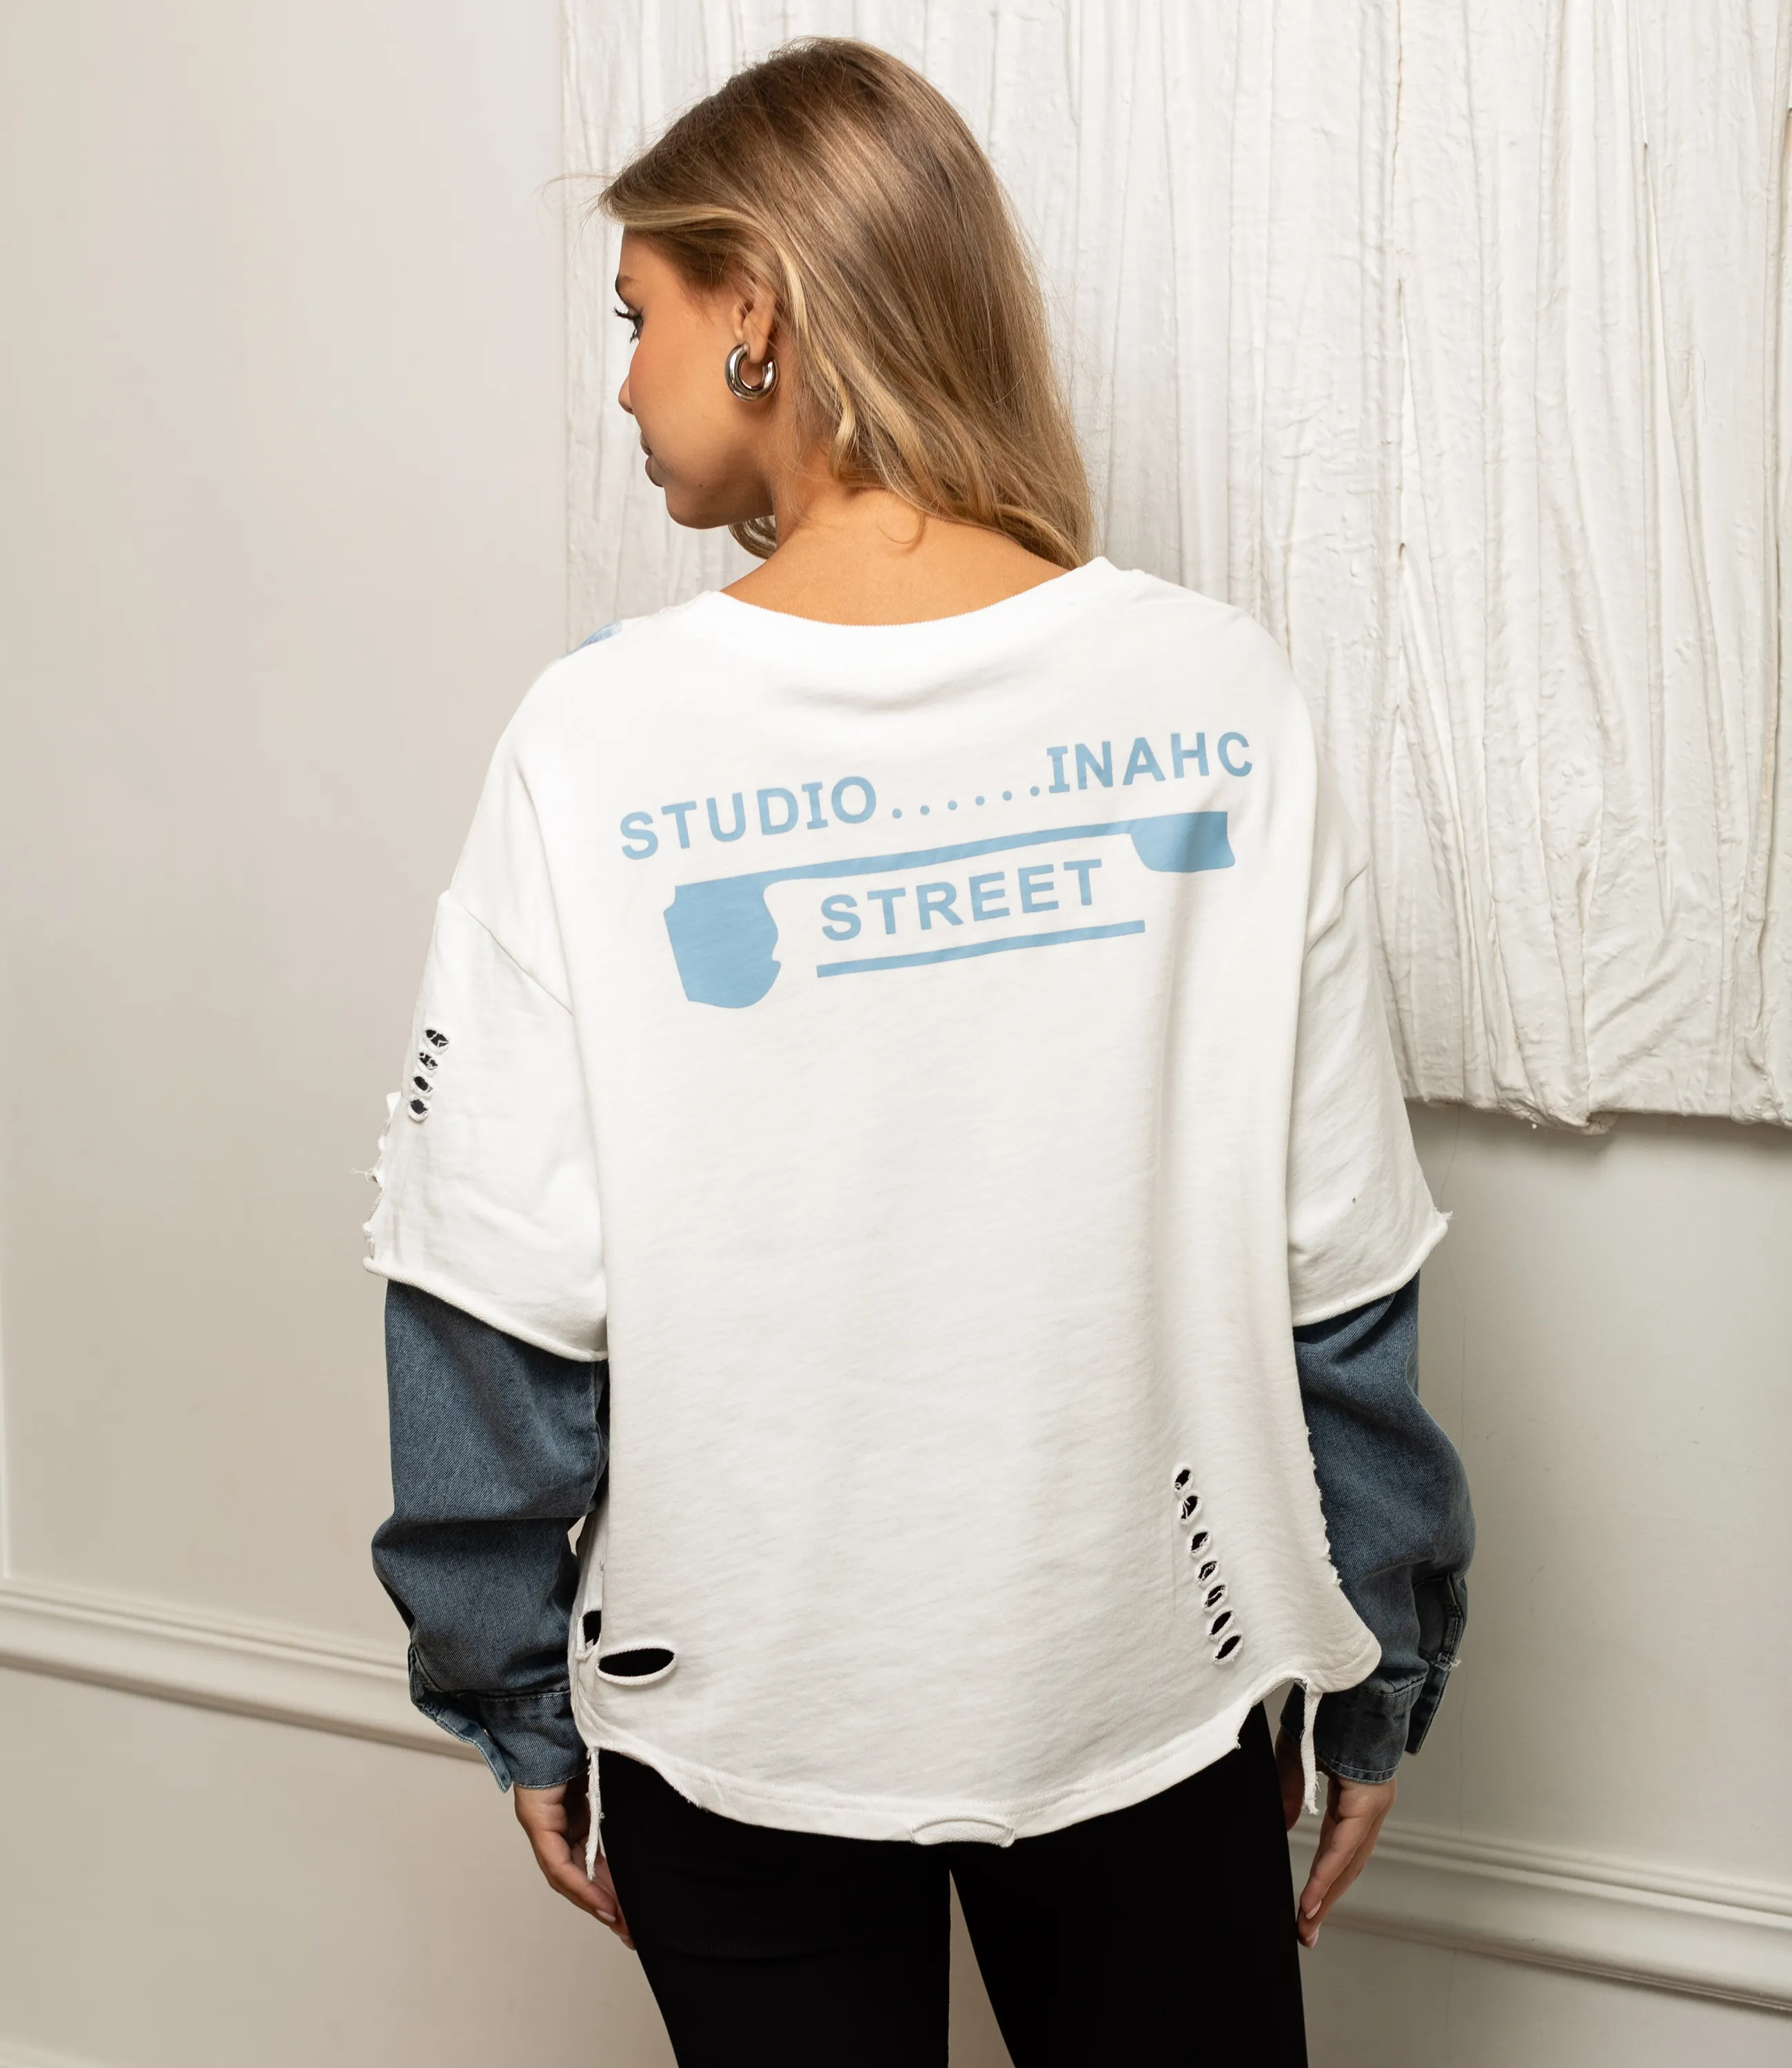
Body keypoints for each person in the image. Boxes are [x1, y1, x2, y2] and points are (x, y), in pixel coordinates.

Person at [364, 38, 1473, 2068]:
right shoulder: (1218, 697)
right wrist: (1382, 1656)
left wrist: (505, 1676)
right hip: (1160, 1673)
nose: (624, 382)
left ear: (758, 311)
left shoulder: (600, 742)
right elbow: (1338, 1261)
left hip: (742, 1701)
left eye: (637, 317)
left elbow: (490, 1280)